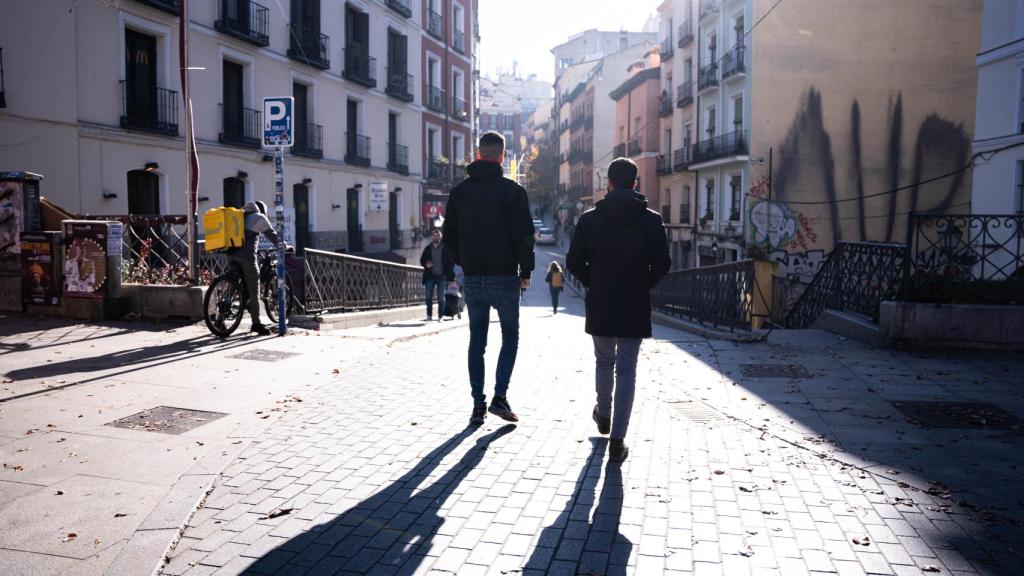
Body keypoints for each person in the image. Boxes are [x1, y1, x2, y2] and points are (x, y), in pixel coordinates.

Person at [566, 157, 671, 461]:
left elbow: (574, 262)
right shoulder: (651, 220)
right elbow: (663, 263)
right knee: (627, 369)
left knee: (603, 362)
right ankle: (618, 438)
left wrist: (594, 281)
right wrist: (642, 283)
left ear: (608, 184)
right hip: (634, 302)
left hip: (601, 301)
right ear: (635, 184)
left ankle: (603, 413)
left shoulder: (589, 219)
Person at [443, 131, 535, 425]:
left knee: (477, 342)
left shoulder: (459, 192)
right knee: (510, 336)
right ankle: (500, 397)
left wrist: (463, 262)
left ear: (478, 154)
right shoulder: (513, 192)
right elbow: (525, 237)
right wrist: (526, 271)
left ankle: (478, 404)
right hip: (505, 277)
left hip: (474, 277)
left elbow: (449, 236)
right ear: (502, 156)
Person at [227, 200, 281, 336]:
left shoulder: (239, 216)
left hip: (231, 255)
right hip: (247, 258)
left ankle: (219, 320)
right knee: (254, 289)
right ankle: (256, 323)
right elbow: (273, 236)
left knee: (232, 286)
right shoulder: (259, 217)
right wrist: (284, 246)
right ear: (262, 210)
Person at [420, 229, 455, 321]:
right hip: (430, 276)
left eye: (438, 235)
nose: (436, 237)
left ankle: (441, 316)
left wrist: (447, 273)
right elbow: (422, 260)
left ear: (441, 236)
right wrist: (426, 264)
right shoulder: (427, 248)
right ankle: (429, 315)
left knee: (441, 297)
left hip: (441, 276)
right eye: (434, 236)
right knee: (428, 296)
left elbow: (451, 262)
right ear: (432, 237)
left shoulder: (445, 249)